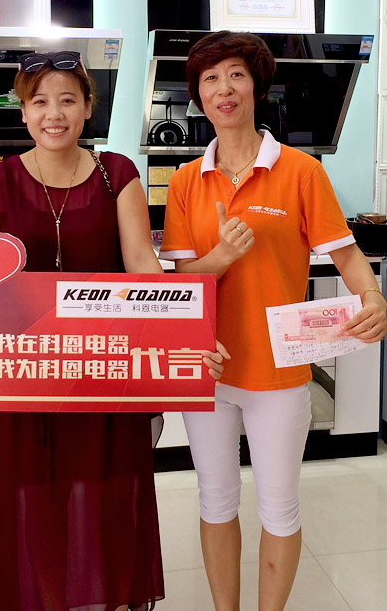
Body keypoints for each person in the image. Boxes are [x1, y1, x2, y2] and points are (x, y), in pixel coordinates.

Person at [0, 50, 223, 611]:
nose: (53, 114)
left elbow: (143, 267)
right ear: (23, 112)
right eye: (39, 102)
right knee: (35, 499)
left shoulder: (118, 174)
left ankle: (109, 598)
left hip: (107, 371)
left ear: (88, 108)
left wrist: (188, 334)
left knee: (110, 493)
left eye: (67, 100)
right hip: (30, 377)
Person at [160, 31, 387, 611]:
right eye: (210, 78)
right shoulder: (185, 180)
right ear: (198, 95)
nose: (223, 89)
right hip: (208, 370)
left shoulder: (301, 172)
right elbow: (182, 289)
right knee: (215, 501)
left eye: (235, 74)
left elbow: (348, 257)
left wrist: (373, 296)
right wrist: (221, 256)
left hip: (280, 373)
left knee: (280, 508)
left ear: (257, 86)